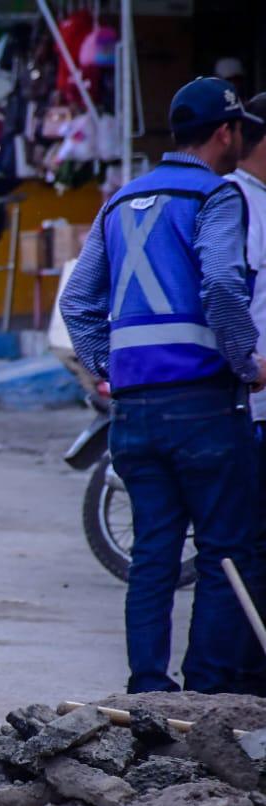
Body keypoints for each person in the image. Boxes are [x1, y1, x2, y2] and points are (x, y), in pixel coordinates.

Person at [61, 77, 264, 694]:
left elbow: (78, 302)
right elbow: (224, 287)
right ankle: (203, 691)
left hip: (134, 414)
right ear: (226, 132)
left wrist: (112, 368)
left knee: (152, 557)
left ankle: (148, 689)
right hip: (204, 406)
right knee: (226, 550)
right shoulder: (217, 195)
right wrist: (248, 362)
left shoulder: (122, 200)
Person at [227, 93, 266, 692]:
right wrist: (246, 362)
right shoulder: (233, 201)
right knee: (245, 548)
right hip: (249, 406)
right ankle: (233, 686)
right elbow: (219, 291)